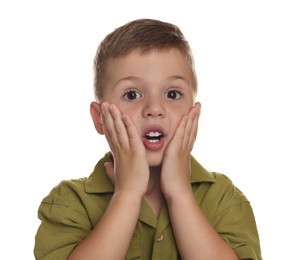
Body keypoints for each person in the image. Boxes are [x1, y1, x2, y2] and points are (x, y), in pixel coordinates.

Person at [34, 18, 262, 259]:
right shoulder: (70, 202)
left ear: (194, 111)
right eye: (132, 94)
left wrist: (180, 193)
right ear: (100, 118)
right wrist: (128, 193)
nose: (154, 108)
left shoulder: (224, 198)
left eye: (172, 93)